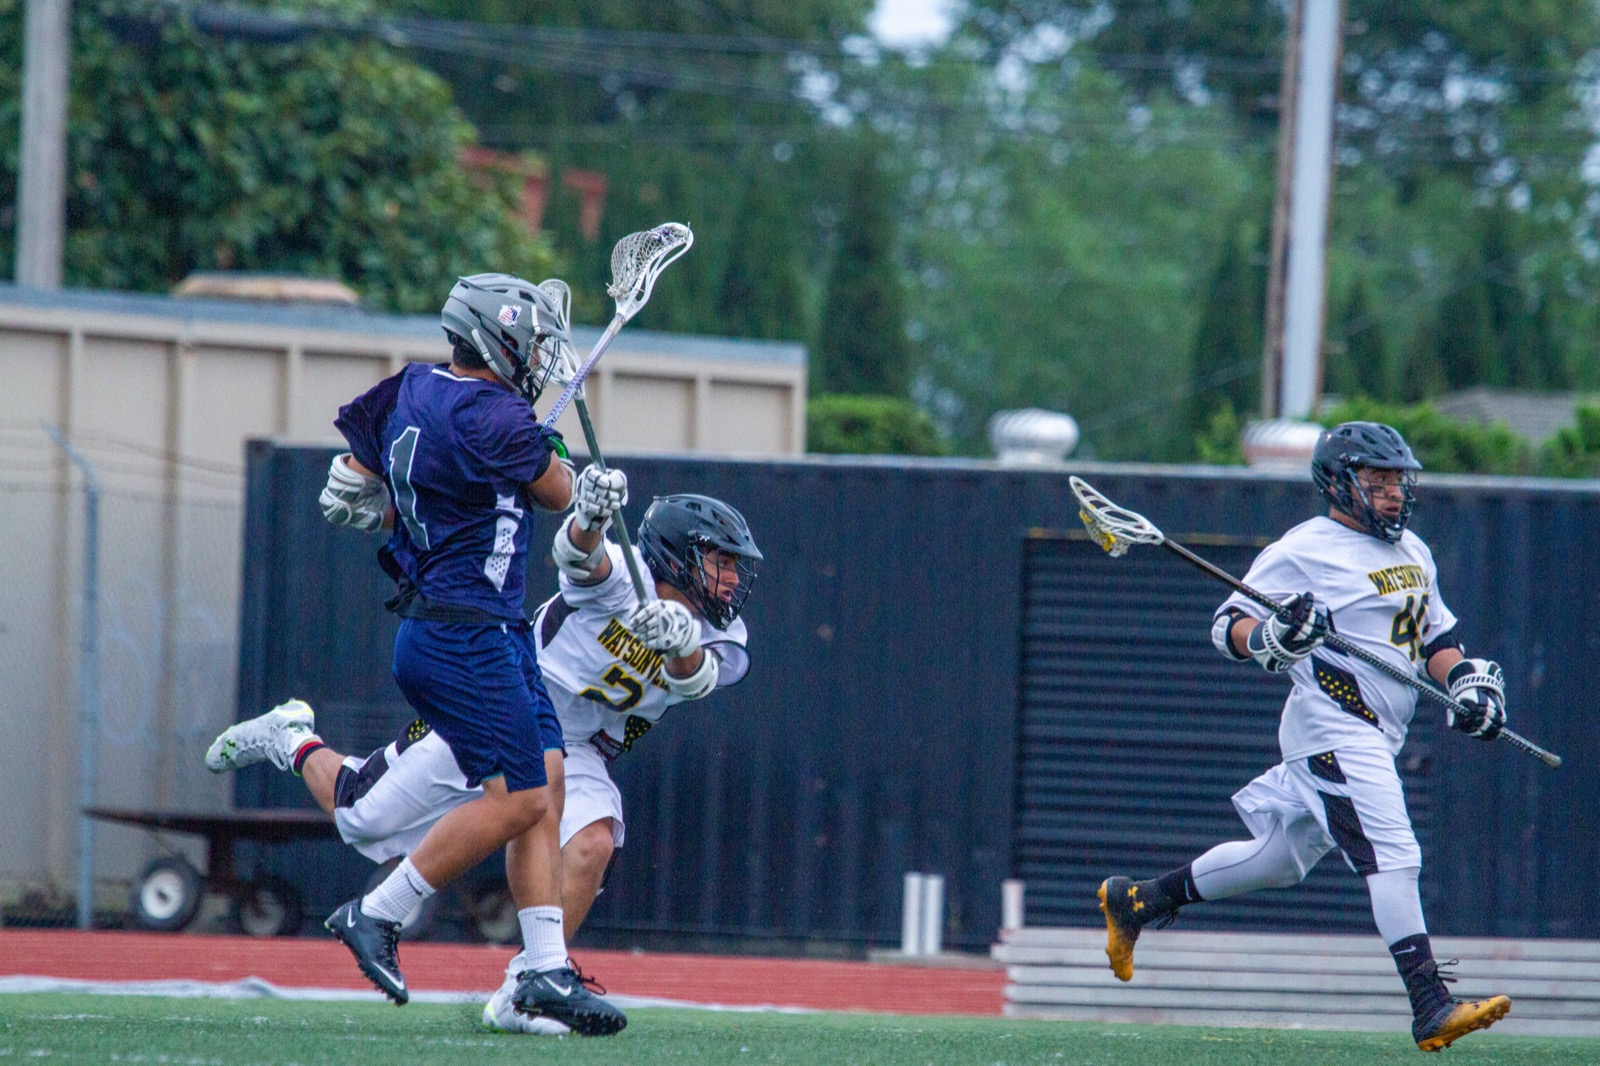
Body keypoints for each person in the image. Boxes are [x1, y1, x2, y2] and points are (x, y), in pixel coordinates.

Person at [208, 273, 627, 1036]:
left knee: (550, 777)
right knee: (520, 799)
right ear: (498, 341)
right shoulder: (498, 417)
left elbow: (357, 472)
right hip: (464, 631)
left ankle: (543, 970)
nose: (537, 356)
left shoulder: (412, 386)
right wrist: (567, 459)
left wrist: (373, 488)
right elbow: (558, 490)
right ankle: (378, 911)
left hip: (477, 626)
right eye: (528, 342)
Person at [209, 488, 761, 1035]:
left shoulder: (723, 631)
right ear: (673, 554)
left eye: (735, 564)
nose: (733, 578)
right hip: (502, 705)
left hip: (580, 746)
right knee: (358, 813)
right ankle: (293, 738)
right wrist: (589, 516)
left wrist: (683, 638)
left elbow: (699, 679)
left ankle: (526, 990)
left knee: (594, 840)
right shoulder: (624, 572)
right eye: (722, 560)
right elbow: (577, 555)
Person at [1095, 421, 1512, 1053]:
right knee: (1395, 853)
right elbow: (1228, 626)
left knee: (1278, 861)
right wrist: (1275, 637)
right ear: (1339, 486)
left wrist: (1467, 687)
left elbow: (1437, 641)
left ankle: (1139, 900)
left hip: (1379, 731)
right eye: (1378, 481)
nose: (1395, 494)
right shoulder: (1305, 548)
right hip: (1335, 727)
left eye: (1399, 481)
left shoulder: (1414, 552)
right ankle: (1430, 1003)